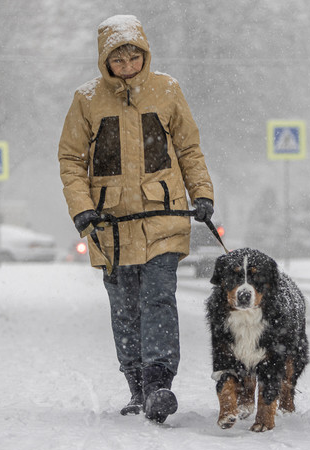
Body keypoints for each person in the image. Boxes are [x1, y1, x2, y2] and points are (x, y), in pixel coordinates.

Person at [57, 15, 215, 423]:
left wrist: (202, 194)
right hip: (110, 226)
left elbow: (189, 149)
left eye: (134, 57)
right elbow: (71, 159)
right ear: (105, 60)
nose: (127, 65)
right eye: (119, 59)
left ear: (145, 54)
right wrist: (81, 208)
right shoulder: (87, 100)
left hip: (164, 218)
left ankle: (160, 383)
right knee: (125, 308)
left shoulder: (167, 90)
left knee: (158, 299)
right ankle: (137, 386)